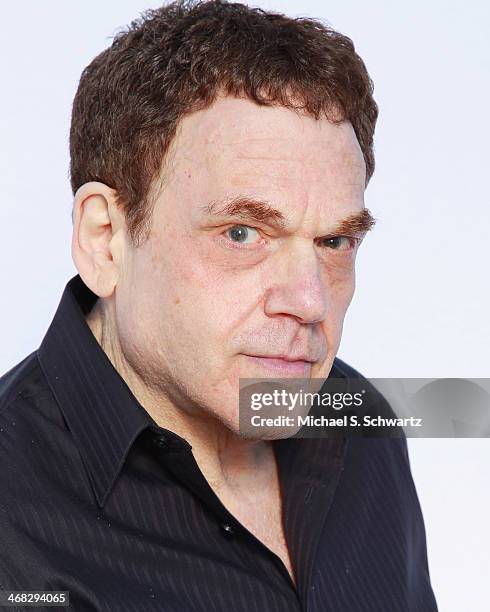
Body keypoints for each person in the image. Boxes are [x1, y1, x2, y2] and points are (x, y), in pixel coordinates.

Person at [0, 1, 438, 610]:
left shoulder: (358, 419)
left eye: (335, 241)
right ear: (105, 238)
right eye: (241, 233)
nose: (310, 302)